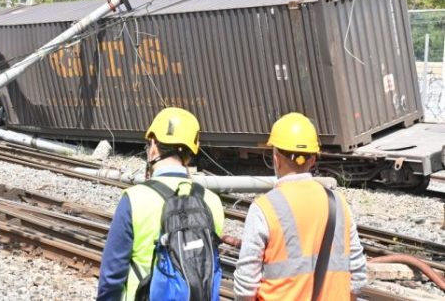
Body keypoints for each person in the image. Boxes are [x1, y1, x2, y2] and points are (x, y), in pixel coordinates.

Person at [233, 113, 367, 300]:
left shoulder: (264, 208)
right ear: (312, 160)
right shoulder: (338, 203)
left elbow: (246, 286)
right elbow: (358, 277)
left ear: (276, 158)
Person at [97, 107, 225, 301]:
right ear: (190, 154)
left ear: (154, 146)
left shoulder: (134, 198)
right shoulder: (212, 201)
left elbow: (112, 275)